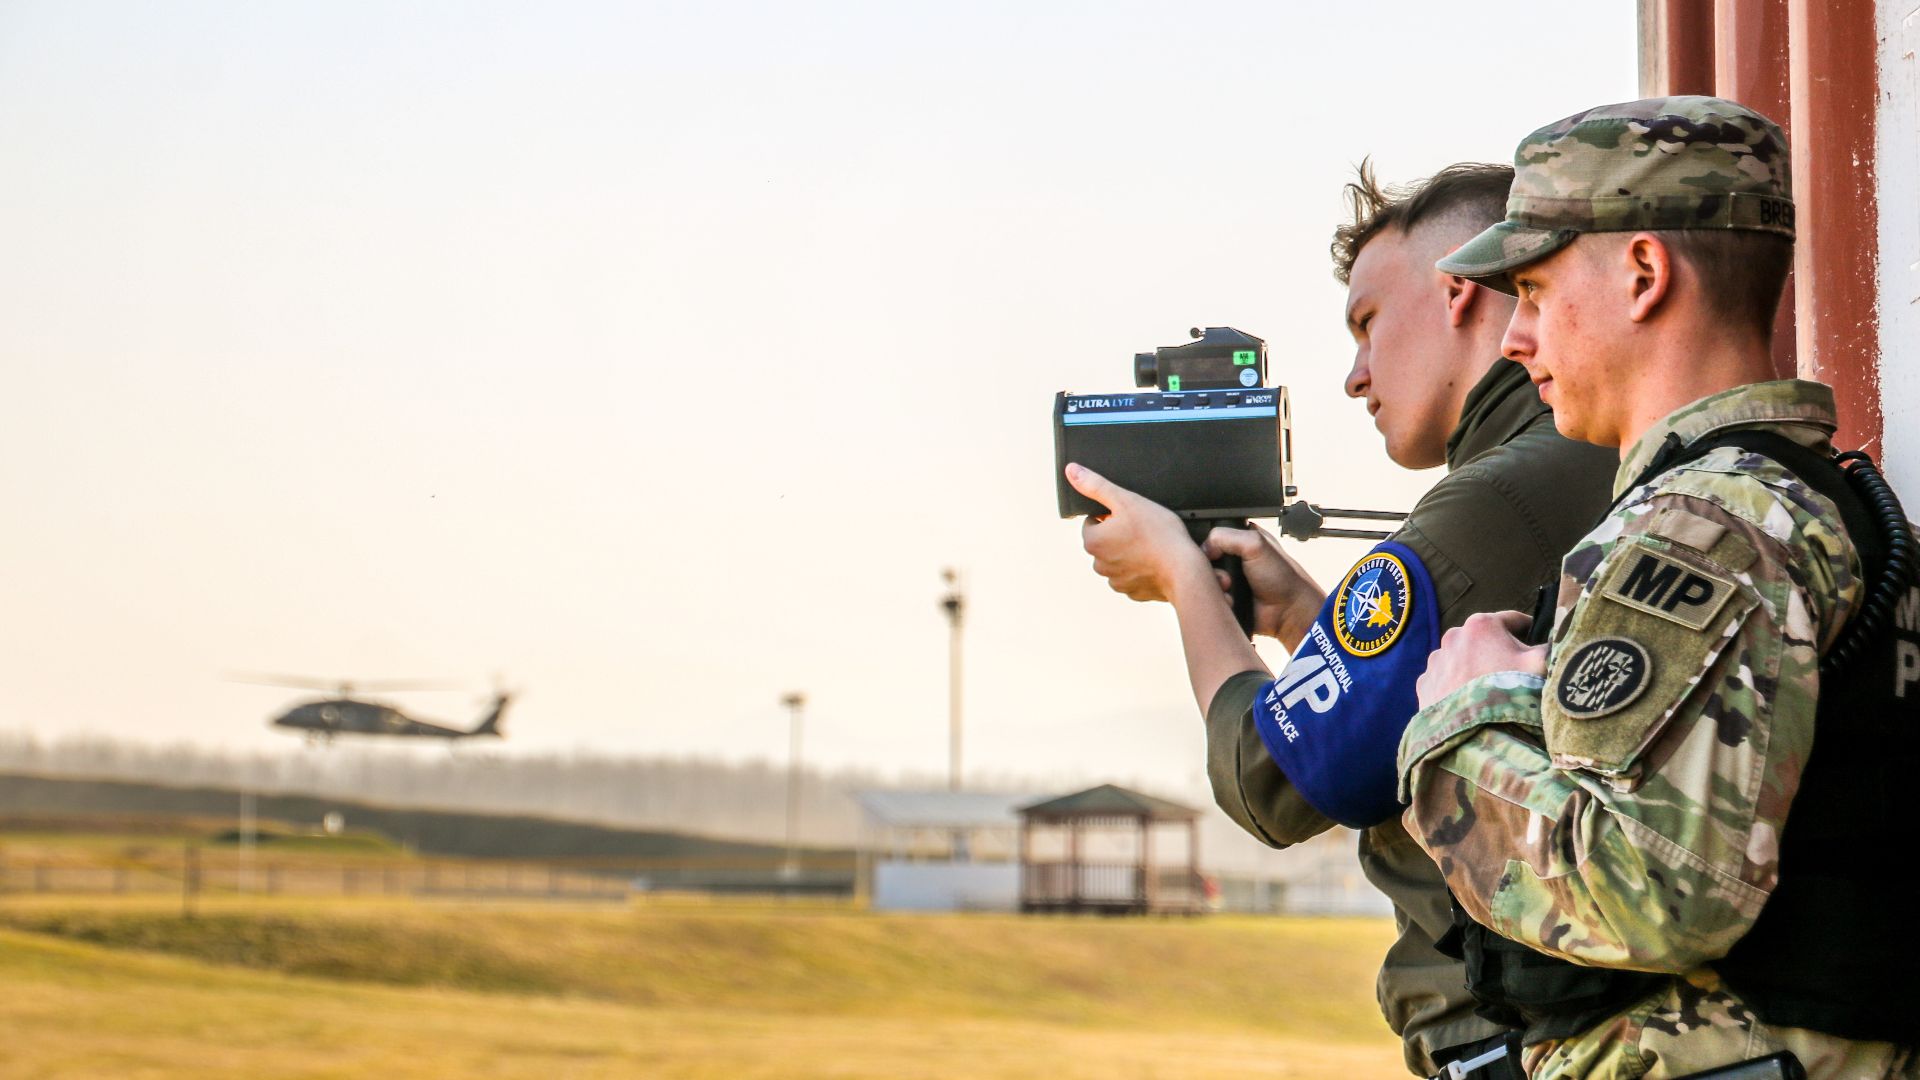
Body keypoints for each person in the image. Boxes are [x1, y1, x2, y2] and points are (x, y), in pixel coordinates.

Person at [1400, 96, 1919, 1077]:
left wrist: (1462, 712)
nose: (1516, 338)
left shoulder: (1698, 526)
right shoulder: (1833, 514)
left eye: (1538, 290)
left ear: (1643, 273)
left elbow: (1655, 891)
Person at [1065, 162, 1615, 1077]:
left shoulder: (1492, 499)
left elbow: (1269, 782)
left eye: (1367, 324)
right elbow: (1442, 708)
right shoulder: (1582, 457)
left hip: (1509, 1039)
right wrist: (1303, 618)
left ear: (1455, 295)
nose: (1356, 377)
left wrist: (1183, 584)